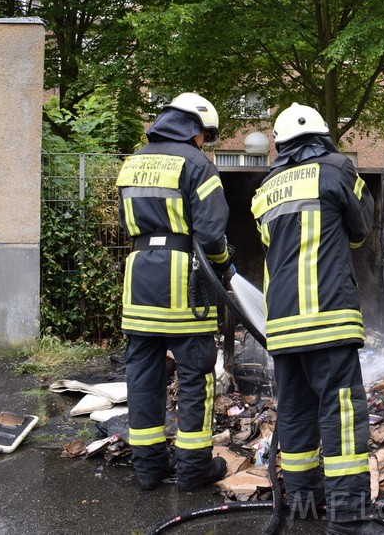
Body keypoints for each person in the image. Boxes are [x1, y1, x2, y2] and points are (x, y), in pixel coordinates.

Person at [249, 103, 384, 535]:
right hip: (328, 316)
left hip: (282, 323)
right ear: (322, 136)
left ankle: (302, 504)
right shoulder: (337, 169)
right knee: (341, 415)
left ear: (279, 143)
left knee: (294, 414)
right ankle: (347, 518)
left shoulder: (265, 187)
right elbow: (361, 227)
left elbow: (271, 244)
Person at [115, 92, 232, 492]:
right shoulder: (198, 164)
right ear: (196, 129)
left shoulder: (133, 162)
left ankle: (148, 469)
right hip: (183, 281)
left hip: (138, 276)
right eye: (207, 135)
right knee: (196, 372)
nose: (205, 143)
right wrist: (223, 267)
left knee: (142, 376)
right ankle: (194, 468)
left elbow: (127, 221)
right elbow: (212, 233)